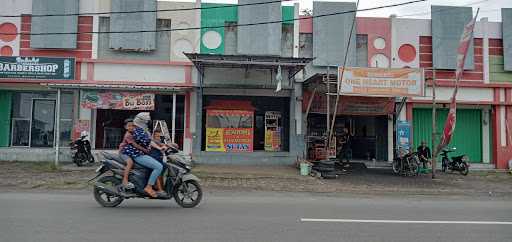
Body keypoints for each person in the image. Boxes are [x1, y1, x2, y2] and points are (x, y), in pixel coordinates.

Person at [122, 112, 163, 198]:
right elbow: (149, 141)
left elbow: (150, 140)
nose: (148, 123)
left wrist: (163, 146)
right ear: (142, 121)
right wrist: (160, 146)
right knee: (159, 167)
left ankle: (155, 186)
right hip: (138, 155)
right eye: (147, 122)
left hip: (141, 153)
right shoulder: (138, 131)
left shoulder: (140, 130)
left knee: (159, 165)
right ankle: (149, 187)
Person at [118, 118, 136, 190]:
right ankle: (125, 180)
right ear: (125, 127)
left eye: (133, 126)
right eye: (129, 126)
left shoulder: (133, 133)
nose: (131, 127)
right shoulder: (128, 135)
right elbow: (135, 145)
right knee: (130, 163)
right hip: (123, 152)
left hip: (129, 152)